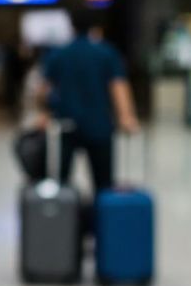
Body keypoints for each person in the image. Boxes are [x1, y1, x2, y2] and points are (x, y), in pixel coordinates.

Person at [39, 11, 140, 192]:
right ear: (96, 28)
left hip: (65, 125)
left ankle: (67, 215)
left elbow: (43, 91)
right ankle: (101, 216)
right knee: (103, 183)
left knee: (61, 182)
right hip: (99, 126)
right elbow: (118, 88)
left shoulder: (58, 54)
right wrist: (126, 117)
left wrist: (44, 114)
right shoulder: (107, 53)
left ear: (71, 27)